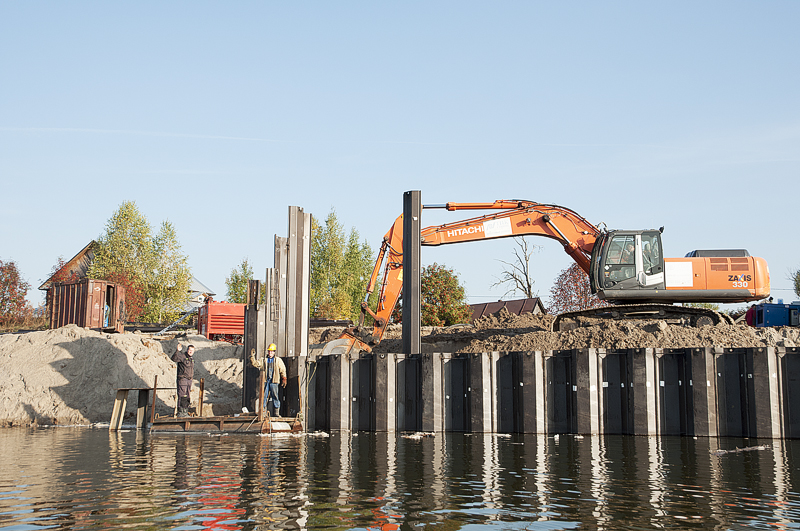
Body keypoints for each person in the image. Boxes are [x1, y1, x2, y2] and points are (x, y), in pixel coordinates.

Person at [250, 343, 287, 416]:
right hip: (266, 381)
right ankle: (263, 412)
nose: (270, 353)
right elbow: (255, 364)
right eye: (269, 351)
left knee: (275, 396)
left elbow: (282, 369)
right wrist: (252, 357)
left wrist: (284, 378)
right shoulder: (263, 360)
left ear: (274, 352)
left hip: (274, 381)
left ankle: (276, 413)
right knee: (264, 397)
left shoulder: (278, 360)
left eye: (272, 351)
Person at [171, 344, 195, 417]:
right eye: (189, 350)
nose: (190, 352)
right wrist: (177, 351)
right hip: (182, 379)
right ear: (187, 350)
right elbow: (173, 359)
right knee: (182, 395)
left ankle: (185, 410)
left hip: (189, 380)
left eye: (192, 351)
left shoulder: (191, 359)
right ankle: (181, 412)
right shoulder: (182, 356)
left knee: (187, 396)